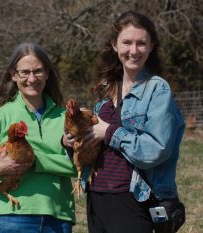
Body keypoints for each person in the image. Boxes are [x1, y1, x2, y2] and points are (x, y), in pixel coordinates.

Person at [65, 11, 186, 233]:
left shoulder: (157, 89)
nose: (133, 50)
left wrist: (110, 132)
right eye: (127, 42)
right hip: (97, 196)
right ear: (114, 44)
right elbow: (95, 141)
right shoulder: (105, 88)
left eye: (141, 43)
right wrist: (72, 141)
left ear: (151, 47)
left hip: (133, 199)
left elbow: (156, 149)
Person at [0, 43, 77, 233]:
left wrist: (34, 161)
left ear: (47, 74)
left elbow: (79, 166)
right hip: (12, 215)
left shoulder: (65, 118)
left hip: (58, 216)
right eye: (24, 72)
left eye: (38, 71)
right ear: (13, 75)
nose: (31, 78)